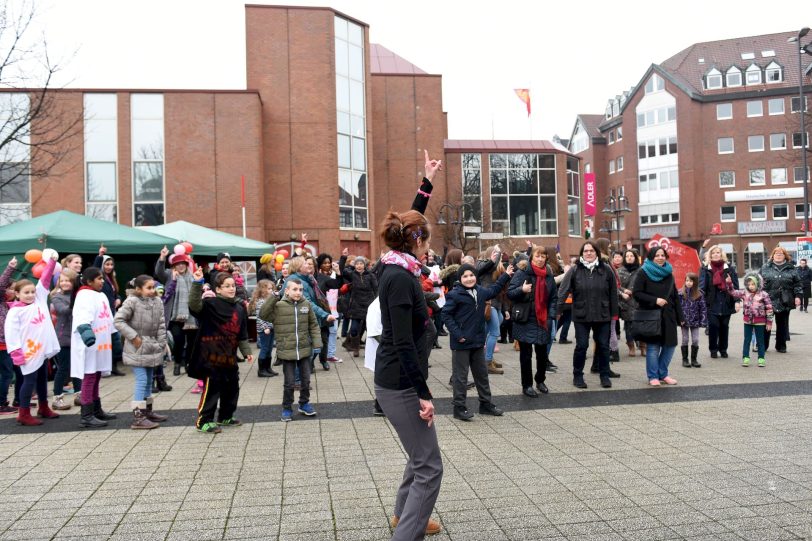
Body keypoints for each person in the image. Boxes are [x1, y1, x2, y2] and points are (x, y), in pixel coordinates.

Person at [375, 150, 443, 539]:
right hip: (400, 382)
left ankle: (406, 516)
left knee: (419, 458)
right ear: (417, 243)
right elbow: (401, 341)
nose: (427, 249)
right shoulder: (400, 278)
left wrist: (427, 184)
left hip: (398, 379)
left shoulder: (395, 261)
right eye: (425, 242)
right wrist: (423, 393)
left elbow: (409, 221)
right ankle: (407, 531)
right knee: (430, 466)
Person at [187, 266, 254, 434]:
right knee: (212, 390)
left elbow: (242, 334)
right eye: (227, 286)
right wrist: (197, 282)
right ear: (218, 289)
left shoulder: (239, 308)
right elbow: (194, 306)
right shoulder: (210, 304)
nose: (231, 288)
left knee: (231, 388)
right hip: (211, 357)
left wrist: (246, 352)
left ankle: (225, 416)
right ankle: (204, 421)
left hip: (229, 358)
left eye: (233, 285)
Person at [442, 262, 512, 420]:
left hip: (478, 341)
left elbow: (494, 290)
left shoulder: (480, 291)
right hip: (461, 343)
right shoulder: (454, 294)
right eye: (465, 276)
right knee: (461, 377)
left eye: (471, 275)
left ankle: (485, 404)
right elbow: (446, 315)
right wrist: (458, 334)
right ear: (460, 279)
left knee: (482, 374)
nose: (469, 278)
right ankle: (459, 408)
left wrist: (506, 275)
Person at [4, 253, 61, 426]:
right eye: (26, 293)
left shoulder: (39, 300)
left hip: (42, 350)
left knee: (42, 378)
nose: (30, 295)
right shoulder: (15, 311)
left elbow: (44, 279)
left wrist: (51, 261)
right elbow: (11, 333)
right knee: (29, 381)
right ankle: (23, 412)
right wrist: (16, 353)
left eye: (32, 292)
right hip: (27, 352)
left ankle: (43, 407)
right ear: (17, 294)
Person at [556, 241, 619, 389]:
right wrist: (557, 311)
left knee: (603, 346)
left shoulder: (606, 269)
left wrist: (614, 314)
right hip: (581, 314)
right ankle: (578, 375)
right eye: (585, 251)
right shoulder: (574, 270)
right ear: (581, 254)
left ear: (596, 252)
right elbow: (563, 291)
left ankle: (604, 375)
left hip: (602, 314)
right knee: (581, 346)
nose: (589, 253)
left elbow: (613, 294)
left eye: (591, 251)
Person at [260, 278, 321, 421]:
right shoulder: (279, 306)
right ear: (286, 291)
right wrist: (274, 296)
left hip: (305, 350)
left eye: (300, 289)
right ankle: (287, 408)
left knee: (305, 381)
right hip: (287, 351)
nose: (298, 292)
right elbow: (263, 314)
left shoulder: (306, 304)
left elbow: (313, 324)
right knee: (289, 383)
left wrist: (317, 343)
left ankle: (304, 404)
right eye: (294, 289)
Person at [114, 275, 169, 429]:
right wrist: (134, 337)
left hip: (152, 346)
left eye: (153, 287)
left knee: (149, 379)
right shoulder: (132, 301)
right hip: (136, 347)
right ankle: (138, 417)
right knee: (142, 380)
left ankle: (147, 411)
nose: (152, 291)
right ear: (138, 289)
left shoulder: (157, 302)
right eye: (149, 288)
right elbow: (118, 320)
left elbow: (161, 325)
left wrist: (161, 344)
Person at [507, 246, 558, 397]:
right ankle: (527, 385)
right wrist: (521, 290)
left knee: (542, 354)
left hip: (542, 320)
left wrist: (551, 316)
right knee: (526, 354)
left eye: (543, 256)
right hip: (525, 319)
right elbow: (510, 293)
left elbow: (554, 298)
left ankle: (540, 380)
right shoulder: (522, 273)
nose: (540, 259)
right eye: (538, 256)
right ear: (531, 258)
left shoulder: (548, 275)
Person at [71, 267, 117, 428]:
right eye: (99, 278)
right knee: (89, 376)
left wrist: (113, 335)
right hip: (89, 344)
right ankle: (87, 415)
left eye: (103, 278)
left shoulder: (101, 295)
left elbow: (108, 317)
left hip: (101, 342)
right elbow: (82, 317)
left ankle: (97, 410)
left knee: (97, 374)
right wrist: (87, 335)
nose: (102, 281)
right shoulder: (83, 295)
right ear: (89, 281)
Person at [633, 246, 684, 386]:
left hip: (669, 315)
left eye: (663, 255)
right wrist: (655, 300)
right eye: (657, 255)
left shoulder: (669, 273)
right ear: (651, 257)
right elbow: (637, 293)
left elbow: (675, 296)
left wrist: (681, 317)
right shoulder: (643, 272)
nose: (660, 257)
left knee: (670, 345)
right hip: (651, 315)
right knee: (653, 347)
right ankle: (653, 376)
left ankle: (663, 373)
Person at [285, 255, 336, 371]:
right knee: (303, 353)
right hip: (299, 321)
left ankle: (302, 380)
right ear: (298, 267)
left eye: (309, 263)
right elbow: (307, 303)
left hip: (306, 319)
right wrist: (325, 315)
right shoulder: (295, 281)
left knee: (313, 349)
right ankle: (298, 381)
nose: (308, 265)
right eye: (305, 263)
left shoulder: (308, 280)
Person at [155, 245, 198, 376]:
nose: (180, 266)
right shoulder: (170, 275)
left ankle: (188, 363)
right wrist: (162, 257)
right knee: (178, 341)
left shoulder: (192, 277)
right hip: (175, 316)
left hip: (191, 316)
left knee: (191, 343)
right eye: (177, 264)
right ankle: (178, 363)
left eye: (182, 264)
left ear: (186, 264)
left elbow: (197, 293)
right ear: (174, 265)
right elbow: (159, 272)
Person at [699, 245, 740, 358]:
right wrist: (700, 302)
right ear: (710, 255)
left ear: (722, 254)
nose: (716, 254)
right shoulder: (705, 269)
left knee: (724, 326)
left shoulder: (729, 269)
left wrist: (737, 301)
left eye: (718, 252)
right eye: (713, 253)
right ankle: (713, 349)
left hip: (726, 301)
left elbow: (735, 286)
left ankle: (723, 349)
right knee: (713, 326)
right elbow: (701, 287)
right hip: (711, 302)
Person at [726, 272, 773, 367]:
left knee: (760, 341)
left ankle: (761, 358)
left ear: (758, 284)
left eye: (753, 284)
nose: (750, 286)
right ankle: (746, 357)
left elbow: (769, 308)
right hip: (747, 321)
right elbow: (733, 292)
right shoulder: (744, 292)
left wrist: (769, 322)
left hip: (760, 321)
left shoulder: (764, 294)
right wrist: (729, 284)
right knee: (747, 340)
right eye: (749, 284)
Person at [760, 247, 802, 353]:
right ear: (772, 255)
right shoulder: (765, 267)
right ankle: (763, 345)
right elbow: (758, 282)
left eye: (781, 253)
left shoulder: (791, 268)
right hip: (768, 300)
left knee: (782, 325)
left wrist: (798, 296)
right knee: (766, 324)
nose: (778, 255)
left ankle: (781, 345)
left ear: (785, 256)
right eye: (776, 253)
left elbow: (797, 283)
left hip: (784, 300)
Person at [50, 268, 80, 411]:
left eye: (68, 280)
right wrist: (76, 301)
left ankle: (79, 395)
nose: (65, 283)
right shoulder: (57, 297)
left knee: (77, 368)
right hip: (63, 338)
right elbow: (63, 311)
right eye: (62, 281)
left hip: (77, 337)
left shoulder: (78, 294)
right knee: (64, 368)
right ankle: (57, 398)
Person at [94, 245, 125, 376]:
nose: (109, 267)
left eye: (111, 264)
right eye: (107, 264)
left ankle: (113, 366)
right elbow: (95, 268)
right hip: (103, 315)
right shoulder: (99, 277)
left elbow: (115, 293)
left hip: (112, 313)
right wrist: (100, 256)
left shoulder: (111, 278)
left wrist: (118, 298)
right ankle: (104, 367)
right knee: (108, 340)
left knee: (115, 341)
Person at [341, 255, 378, 358]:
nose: (359, 266)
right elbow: (342, 271)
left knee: (370, 329)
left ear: (364, 265)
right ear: (354, 265)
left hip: (369, 305)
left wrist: (377, 303)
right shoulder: (352, 275)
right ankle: (355, 347)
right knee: (353, 329)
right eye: (357, 264)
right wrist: (343, 258)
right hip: (356, 306)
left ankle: (371, 349)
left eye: (361, 263)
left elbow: (376, 289)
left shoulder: (370, 275)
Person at [0, 257, 22, 414]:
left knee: (10, 372)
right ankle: (1, 403)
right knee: (6, 373)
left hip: (6, 343)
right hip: (1, 344)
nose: (13, 292)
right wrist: (10, 267)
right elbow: (1, 284)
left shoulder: (6, 305)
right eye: (11, 289)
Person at [249, 279, 278, 377]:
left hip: (271, 327)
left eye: (272, 288)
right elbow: (259, 316)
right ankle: (261, 370)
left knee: (270, 349)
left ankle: (268, 368)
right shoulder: (261, 302)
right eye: (269, 289)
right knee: (264, 348)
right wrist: (265, 327)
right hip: (264, 329)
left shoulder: (269, 300)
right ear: (262, 290)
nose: (271, 290)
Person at [678, 272, 706, 368]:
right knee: (685, 339)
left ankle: (694, 359)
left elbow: (703, 308)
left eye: (691, 281)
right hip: (684, 321)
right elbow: (677, 307)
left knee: (695, 340)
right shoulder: (680, 293)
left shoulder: (699, 294)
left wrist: (703, 321)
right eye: (687, 281)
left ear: (695, 282)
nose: (689, 283)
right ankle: (685, 359)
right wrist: (679, 319)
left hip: (695, 321)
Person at [617, 248, 641, 357]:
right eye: (627, 256)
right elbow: (616, 286)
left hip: (639, 302)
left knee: (641, 325)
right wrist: (623, 291)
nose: (629, 258)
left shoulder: (641, 270)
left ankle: (643, 345)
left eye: (631, 256)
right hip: (626, 302)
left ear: (635, 257)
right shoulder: (620, 271)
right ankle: (631, 346)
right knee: (629, 326)